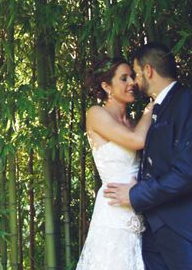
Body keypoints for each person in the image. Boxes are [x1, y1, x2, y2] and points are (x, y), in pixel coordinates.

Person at [104, 42, 192, 269]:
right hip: (153, 233)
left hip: (190, 233)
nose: (133, 81)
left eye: (135, 73)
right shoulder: (153, 111)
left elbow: (186, 173)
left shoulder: (190, 101)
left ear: (148, 71)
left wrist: (136, 194)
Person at [76, 57, 154, 270]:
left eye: (132, 76)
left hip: (138, 207)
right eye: (124, 78)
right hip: (114, 210)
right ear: (106, 86)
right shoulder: (96, 114)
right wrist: (152, 107)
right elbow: (137, 141)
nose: (132, 82)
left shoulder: (132, 123)